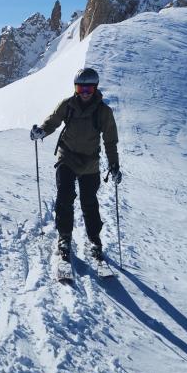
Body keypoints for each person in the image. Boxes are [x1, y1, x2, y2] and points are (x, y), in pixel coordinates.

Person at [30, 67, 122, 263]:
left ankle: (94, 240)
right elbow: (53, 121)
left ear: (95, 89)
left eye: (89, 90)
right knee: (65, 196)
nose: (85, 94)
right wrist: (42, 132)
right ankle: (64, 237)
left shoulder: (103, 112)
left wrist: (114, 165)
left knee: (89, 202)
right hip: (67, 157)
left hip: (90, 162)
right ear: (75, 88)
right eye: (81, 89)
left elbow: (110, 140)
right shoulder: (68, 105)